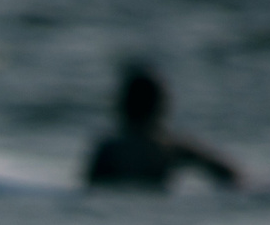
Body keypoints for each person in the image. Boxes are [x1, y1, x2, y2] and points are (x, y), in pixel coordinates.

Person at [86, 63, 244, 190]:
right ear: (160, 107)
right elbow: (230, 175)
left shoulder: (108, 149)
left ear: (122, 105)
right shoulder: (169, 147)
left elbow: (89, 188)